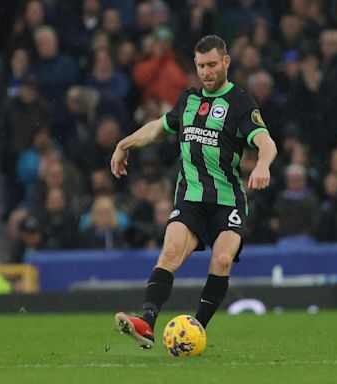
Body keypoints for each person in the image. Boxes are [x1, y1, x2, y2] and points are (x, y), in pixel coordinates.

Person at [110, 35, 277, 349]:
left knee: (223, 259)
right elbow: (159, 128)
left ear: (226, 62)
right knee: (171, 253)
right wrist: (124, 144)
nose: (206, 72)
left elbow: (266, 142)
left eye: (212, 64)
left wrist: (263, 165)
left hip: (227, 199)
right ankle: (146, 322)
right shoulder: (187, 100)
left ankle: (196, 328)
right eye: (200, 66)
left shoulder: (240, 102)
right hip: (190, 197)